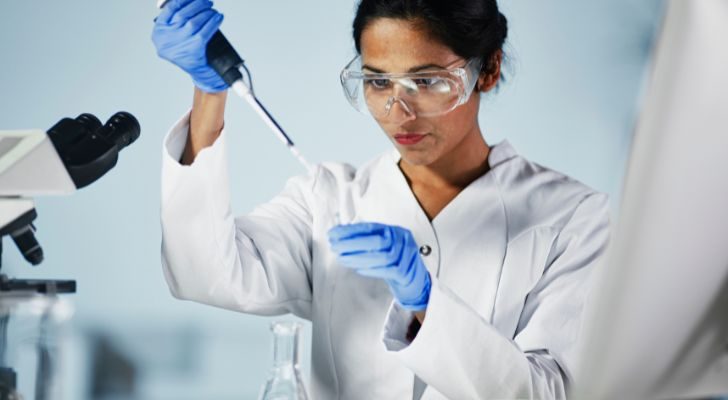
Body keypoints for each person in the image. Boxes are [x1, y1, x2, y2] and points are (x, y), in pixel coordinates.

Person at [152, 0, 610, 398]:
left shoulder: (572, 217)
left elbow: (550, 392)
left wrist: (427, 302)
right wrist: (210, 90)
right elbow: (204, 274)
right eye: (377, 82)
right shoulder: (328, 199)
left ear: (486, 70)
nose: (399, 111)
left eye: (426, 81)